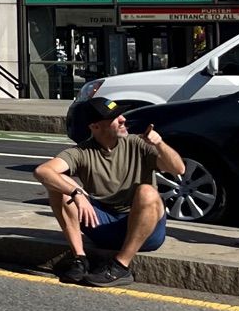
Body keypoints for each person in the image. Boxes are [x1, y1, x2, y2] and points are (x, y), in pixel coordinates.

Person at [37, 95, 183, 286]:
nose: (123, 119)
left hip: (144, 230)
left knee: (147, 192)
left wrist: (159, 144)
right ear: (95, 126)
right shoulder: (81, 152)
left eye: (121, 115)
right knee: (59, 184)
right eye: (115, 117)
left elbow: (178, 169)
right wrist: (76, 193)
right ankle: (80, 259)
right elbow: (43, 171)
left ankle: (121, 266)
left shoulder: (138, 143)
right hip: (103, 226)